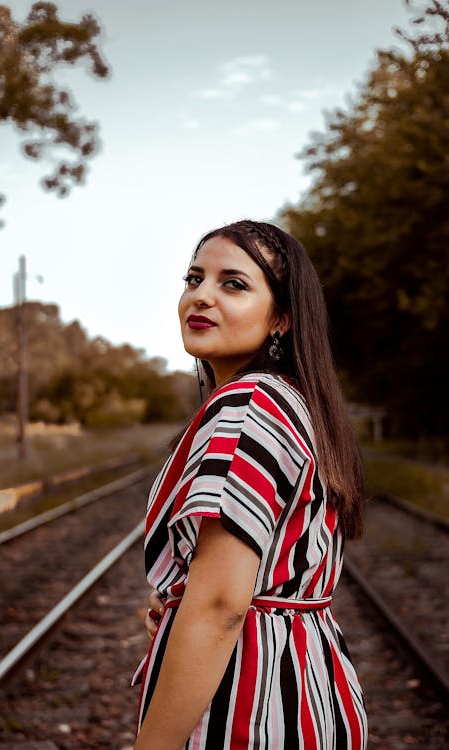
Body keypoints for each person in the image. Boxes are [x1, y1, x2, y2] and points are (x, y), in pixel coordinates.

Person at [132, 220, 367, 750]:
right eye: (194, 279)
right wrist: (177, 596)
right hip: (303, 689)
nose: (201, 297)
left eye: (232, 284)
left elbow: (221, 607)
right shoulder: (290, 401)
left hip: (249, 704)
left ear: (281, 318)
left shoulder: (248, 406)